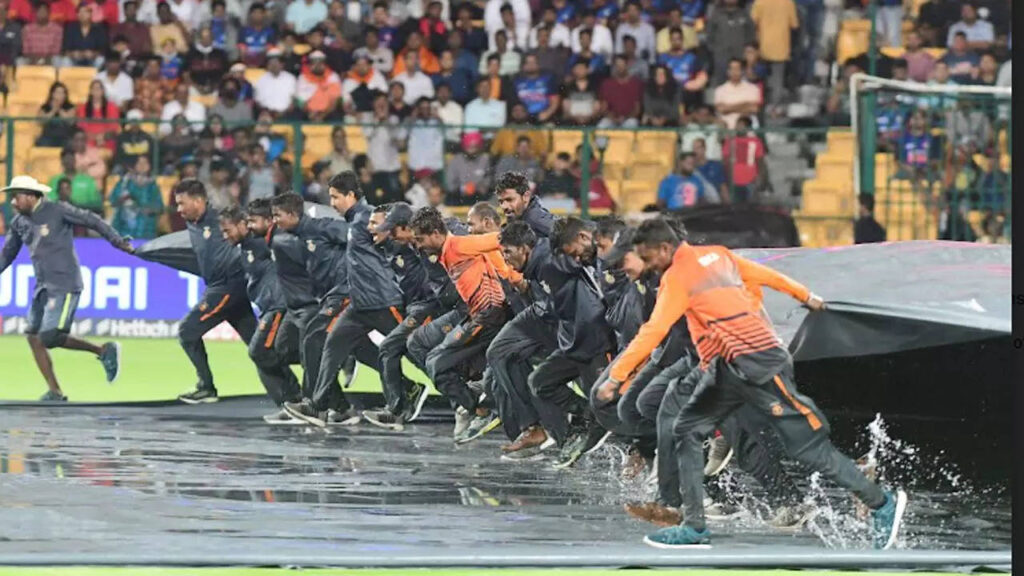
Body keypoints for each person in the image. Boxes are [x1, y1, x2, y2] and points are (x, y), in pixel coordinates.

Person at [594, 216, 907, 549]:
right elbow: (764, 274)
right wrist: (806, 295)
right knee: (684, 426)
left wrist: (615, 376)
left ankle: (881, 503)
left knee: (807, 448)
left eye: (644, 255)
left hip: (759, 363)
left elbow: (653, 331)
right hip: (727, 369)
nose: (641, 263)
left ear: (664, 248)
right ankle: (692, 523)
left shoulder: (677, 278)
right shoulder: (719, 255)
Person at [284, 173, 406, 427]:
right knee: (331, 344)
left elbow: (396, 242)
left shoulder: (369, 219)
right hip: (361, 304)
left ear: (351, 195)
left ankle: (468, 399)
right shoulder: (356, 221)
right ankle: (318, 406)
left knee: (417, 350)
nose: (333, 203)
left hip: (383, 300)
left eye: (335, 197)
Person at [0, 176, 130, 401]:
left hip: (65, 284)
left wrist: (116, 240)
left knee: (50, 337)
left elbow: (91, 219)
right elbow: (7, 253)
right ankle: (55, 391)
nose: (12, 202)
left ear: (31, 196)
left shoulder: (57, 210)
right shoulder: (19, 221)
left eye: (16, 196)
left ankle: (102, 350)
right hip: (43, 287)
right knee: (33, 336)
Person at [410, 205, 521, 443]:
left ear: (436, 234)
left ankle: (480, 408)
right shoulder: (446, 253)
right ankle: (480, 402)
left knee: (436, 362)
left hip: (489, 318)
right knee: (436, 361)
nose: (419, 245)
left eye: (420, 239)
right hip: (480, 316)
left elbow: (500, 239)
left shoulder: (459, 245)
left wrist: (515, 276)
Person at [171, 179, 264, 404]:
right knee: (261, 350)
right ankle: (298, 393)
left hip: (227, 288)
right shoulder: (192, 223)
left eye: (182, 203)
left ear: (198, 201)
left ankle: (206, 386)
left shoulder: (220, 219)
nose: (178, 209)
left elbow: (245, 235)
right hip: (223, 289)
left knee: (187, 331)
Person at [361, 203, 442, 429]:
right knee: (418, 355)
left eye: (389, 228)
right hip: (415, 307)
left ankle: (397, 410)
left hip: (427, 307)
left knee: (397, 349)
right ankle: (466, 400)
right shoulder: (395, 246)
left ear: (406, 228)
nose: (377, 230)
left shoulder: (423, 246)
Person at [217, 203, 303, 418]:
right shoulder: (246, 246)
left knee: (259, 352)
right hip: (269, 307)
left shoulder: (261, 242)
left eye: (228, 230)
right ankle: (293, 403)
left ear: (241, 225)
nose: (225, 236)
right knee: (267, 355)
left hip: (278, 306)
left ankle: (295, 399)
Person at [111, 156, 163, 239]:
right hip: (124, 229)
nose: (142, 165)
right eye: (139, 163)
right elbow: (113, 200)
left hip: (146, 230)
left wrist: (149, 209)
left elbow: (159, 207)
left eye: (145, 163)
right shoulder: (124, 182)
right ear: (134, 165)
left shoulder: (153, 186)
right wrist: (123, 199)